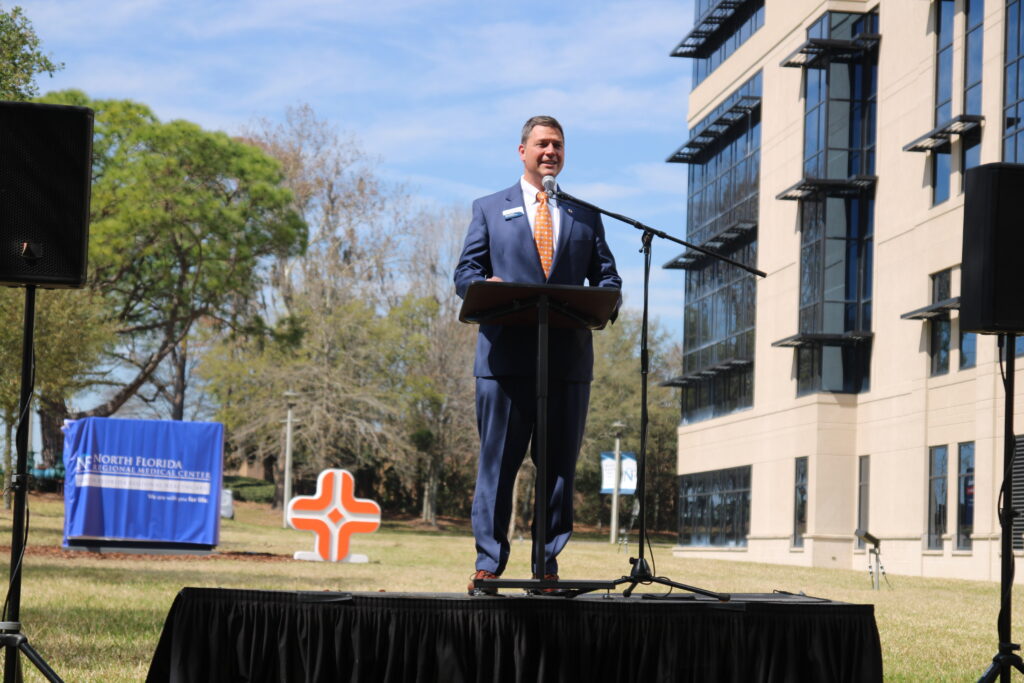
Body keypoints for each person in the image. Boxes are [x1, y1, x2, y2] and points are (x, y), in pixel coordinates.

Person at [454, 115, 621, 594]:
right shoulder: (489, 208)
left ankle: (546, 567)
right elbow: (466, 273)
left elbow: (608, 278)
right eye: (542, 144)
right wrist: (483, 286)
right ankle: (489, 562)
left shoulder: (585, 214)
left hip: (567, 363)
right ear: (522, 150)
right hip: (504, 362)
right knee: (498, 467)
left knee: (558, 470)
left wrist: (605, 302)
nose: (551, 152)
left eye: (558, 145)